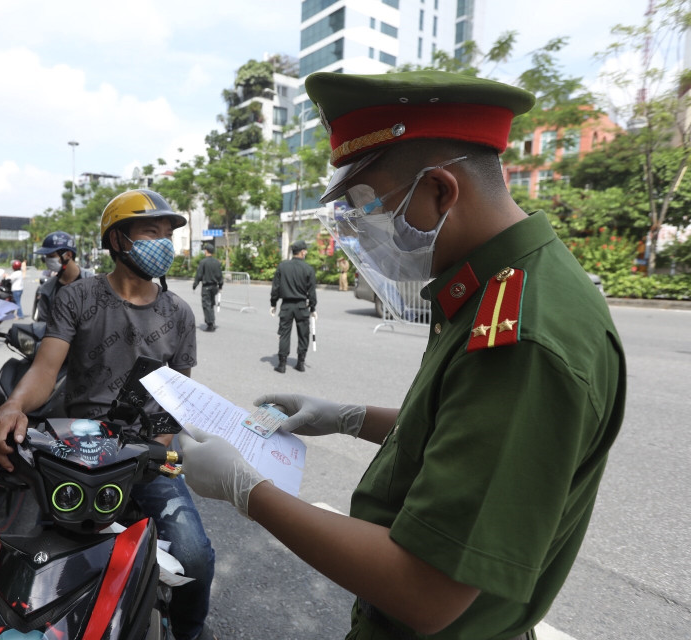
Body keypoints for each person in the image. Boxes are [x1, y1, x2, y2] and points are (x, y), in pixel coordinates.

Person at [175, 70, 626, 640]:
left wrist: (248, 491)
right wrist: (348, 418)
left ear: (440, 190)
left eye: (368, 206)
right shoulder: (492, 286)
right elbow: (457, 431)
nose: (362, 232)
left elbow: (426, 590)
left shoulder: (522, 336)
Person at [0, 189, 216, 640]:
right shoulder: (78, 297)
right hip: (75, 449)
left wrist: (156, 451)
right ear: (118, 240)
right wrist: (12, 405)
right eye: (150, 232)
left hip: (147, 451)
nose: (164, 243)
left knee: (194, 556)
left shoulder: (178, 314)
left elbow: (179, 395)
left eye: (168, 234)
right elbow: (45, 369)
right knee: (34, 562)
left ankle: (191, 632)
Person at [270, 239, 317, 373]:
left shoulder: (282, 266)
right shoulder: (308, 269)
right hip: (302, 306)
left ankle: (282, 364)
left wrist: (273, 304)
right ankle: (300, 363)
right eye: (305, 251)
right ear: (302, 252)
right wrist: (313, 308)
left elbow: (276, 288)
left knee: (284, 334)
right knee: (303, 335)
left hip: (286, 305)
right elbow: (312, 292)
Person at [33, 231, 94, 323]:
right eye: (46, 257)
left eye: (51, 256)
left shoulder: (92, 282)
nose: (47, 260)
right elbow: (43, 324)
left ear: (68, 255)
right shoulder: (47, 289)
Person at [192, 243, 223, 332]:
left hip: (206, 287)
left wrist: (195, 285)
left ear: (206, 251)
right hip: (214, 287)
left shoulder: (203, 262)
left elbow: (199, 275)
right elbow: (219, 275)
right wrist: (220, 285)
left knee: (206, 305)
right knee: (211, 304)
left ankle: (210, 323)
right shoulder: (217, 262)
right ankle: (212, 321)